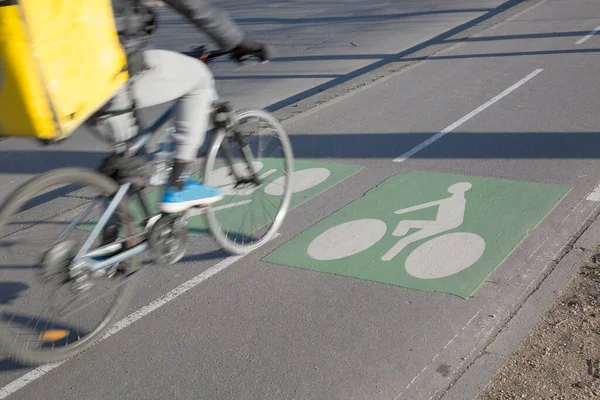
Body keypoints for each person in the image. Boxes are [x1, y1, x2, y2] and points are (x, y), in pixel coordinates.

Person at [105, 0, 268, 214]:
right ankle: (179, 184)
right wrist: (236, 42)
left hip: (64, 90)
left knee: (130, 162)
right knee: (199, 76)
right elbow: (193, 6)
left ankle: (111, 239)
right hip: (114, 70)